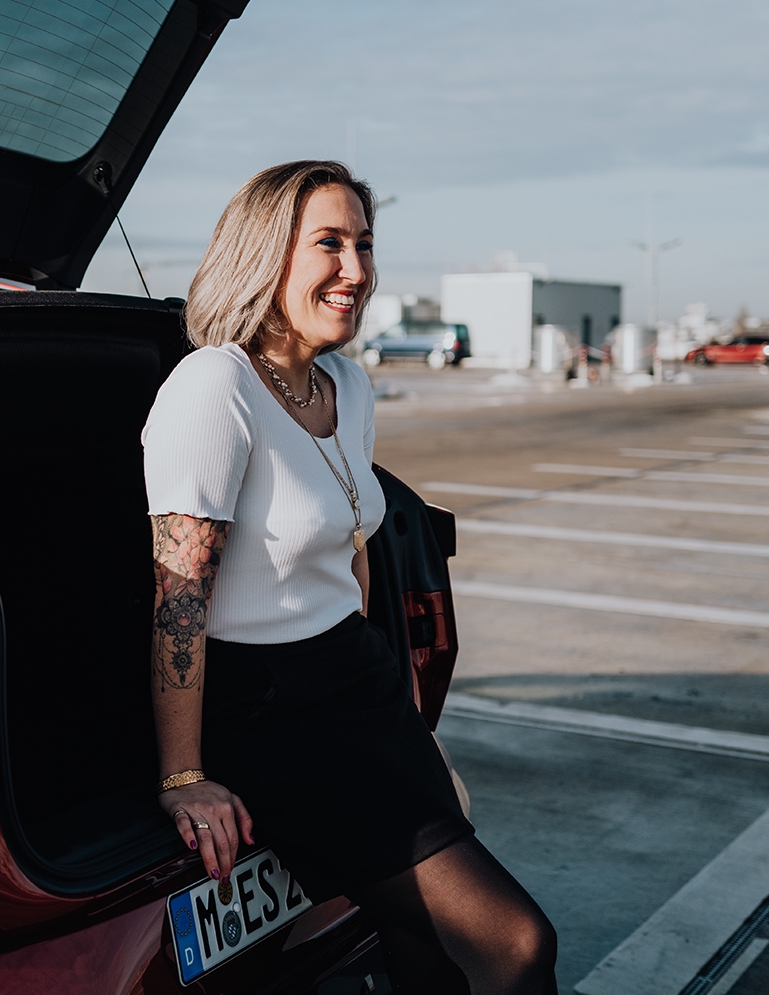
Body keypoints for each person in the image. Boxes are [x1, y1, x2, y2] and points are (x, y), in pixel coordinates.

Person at [141, 160, 557, 994]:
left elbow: (354, 545)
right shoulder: (215, 386)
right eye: (328, 243)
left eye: (364, 245)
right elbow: (178, 599)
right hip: (267, 711)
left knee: (424, 945)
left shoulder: (346, 384)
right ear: (266, 253)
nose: (357, 271)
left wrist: (392, 695)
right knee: (514, 943)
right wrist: (183, 776)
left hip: (355, 686)